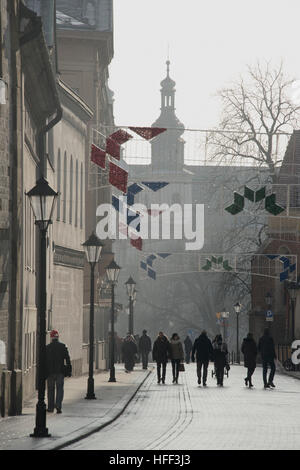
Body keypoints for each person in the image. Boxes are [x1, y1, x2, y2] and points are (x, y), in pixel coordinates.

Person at [46, 329, 72, 414]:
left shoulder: (48, 347)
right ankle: (58, 405)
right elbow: (67, 359)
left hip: (50, 372)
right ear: (58, 337)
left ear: (51, 337)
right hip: (60, 372)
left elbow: (44, 361)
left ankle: (50, 407)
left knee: (50, 389)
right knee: (60, 389)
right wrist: (69, 370)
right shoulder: (63, 346)